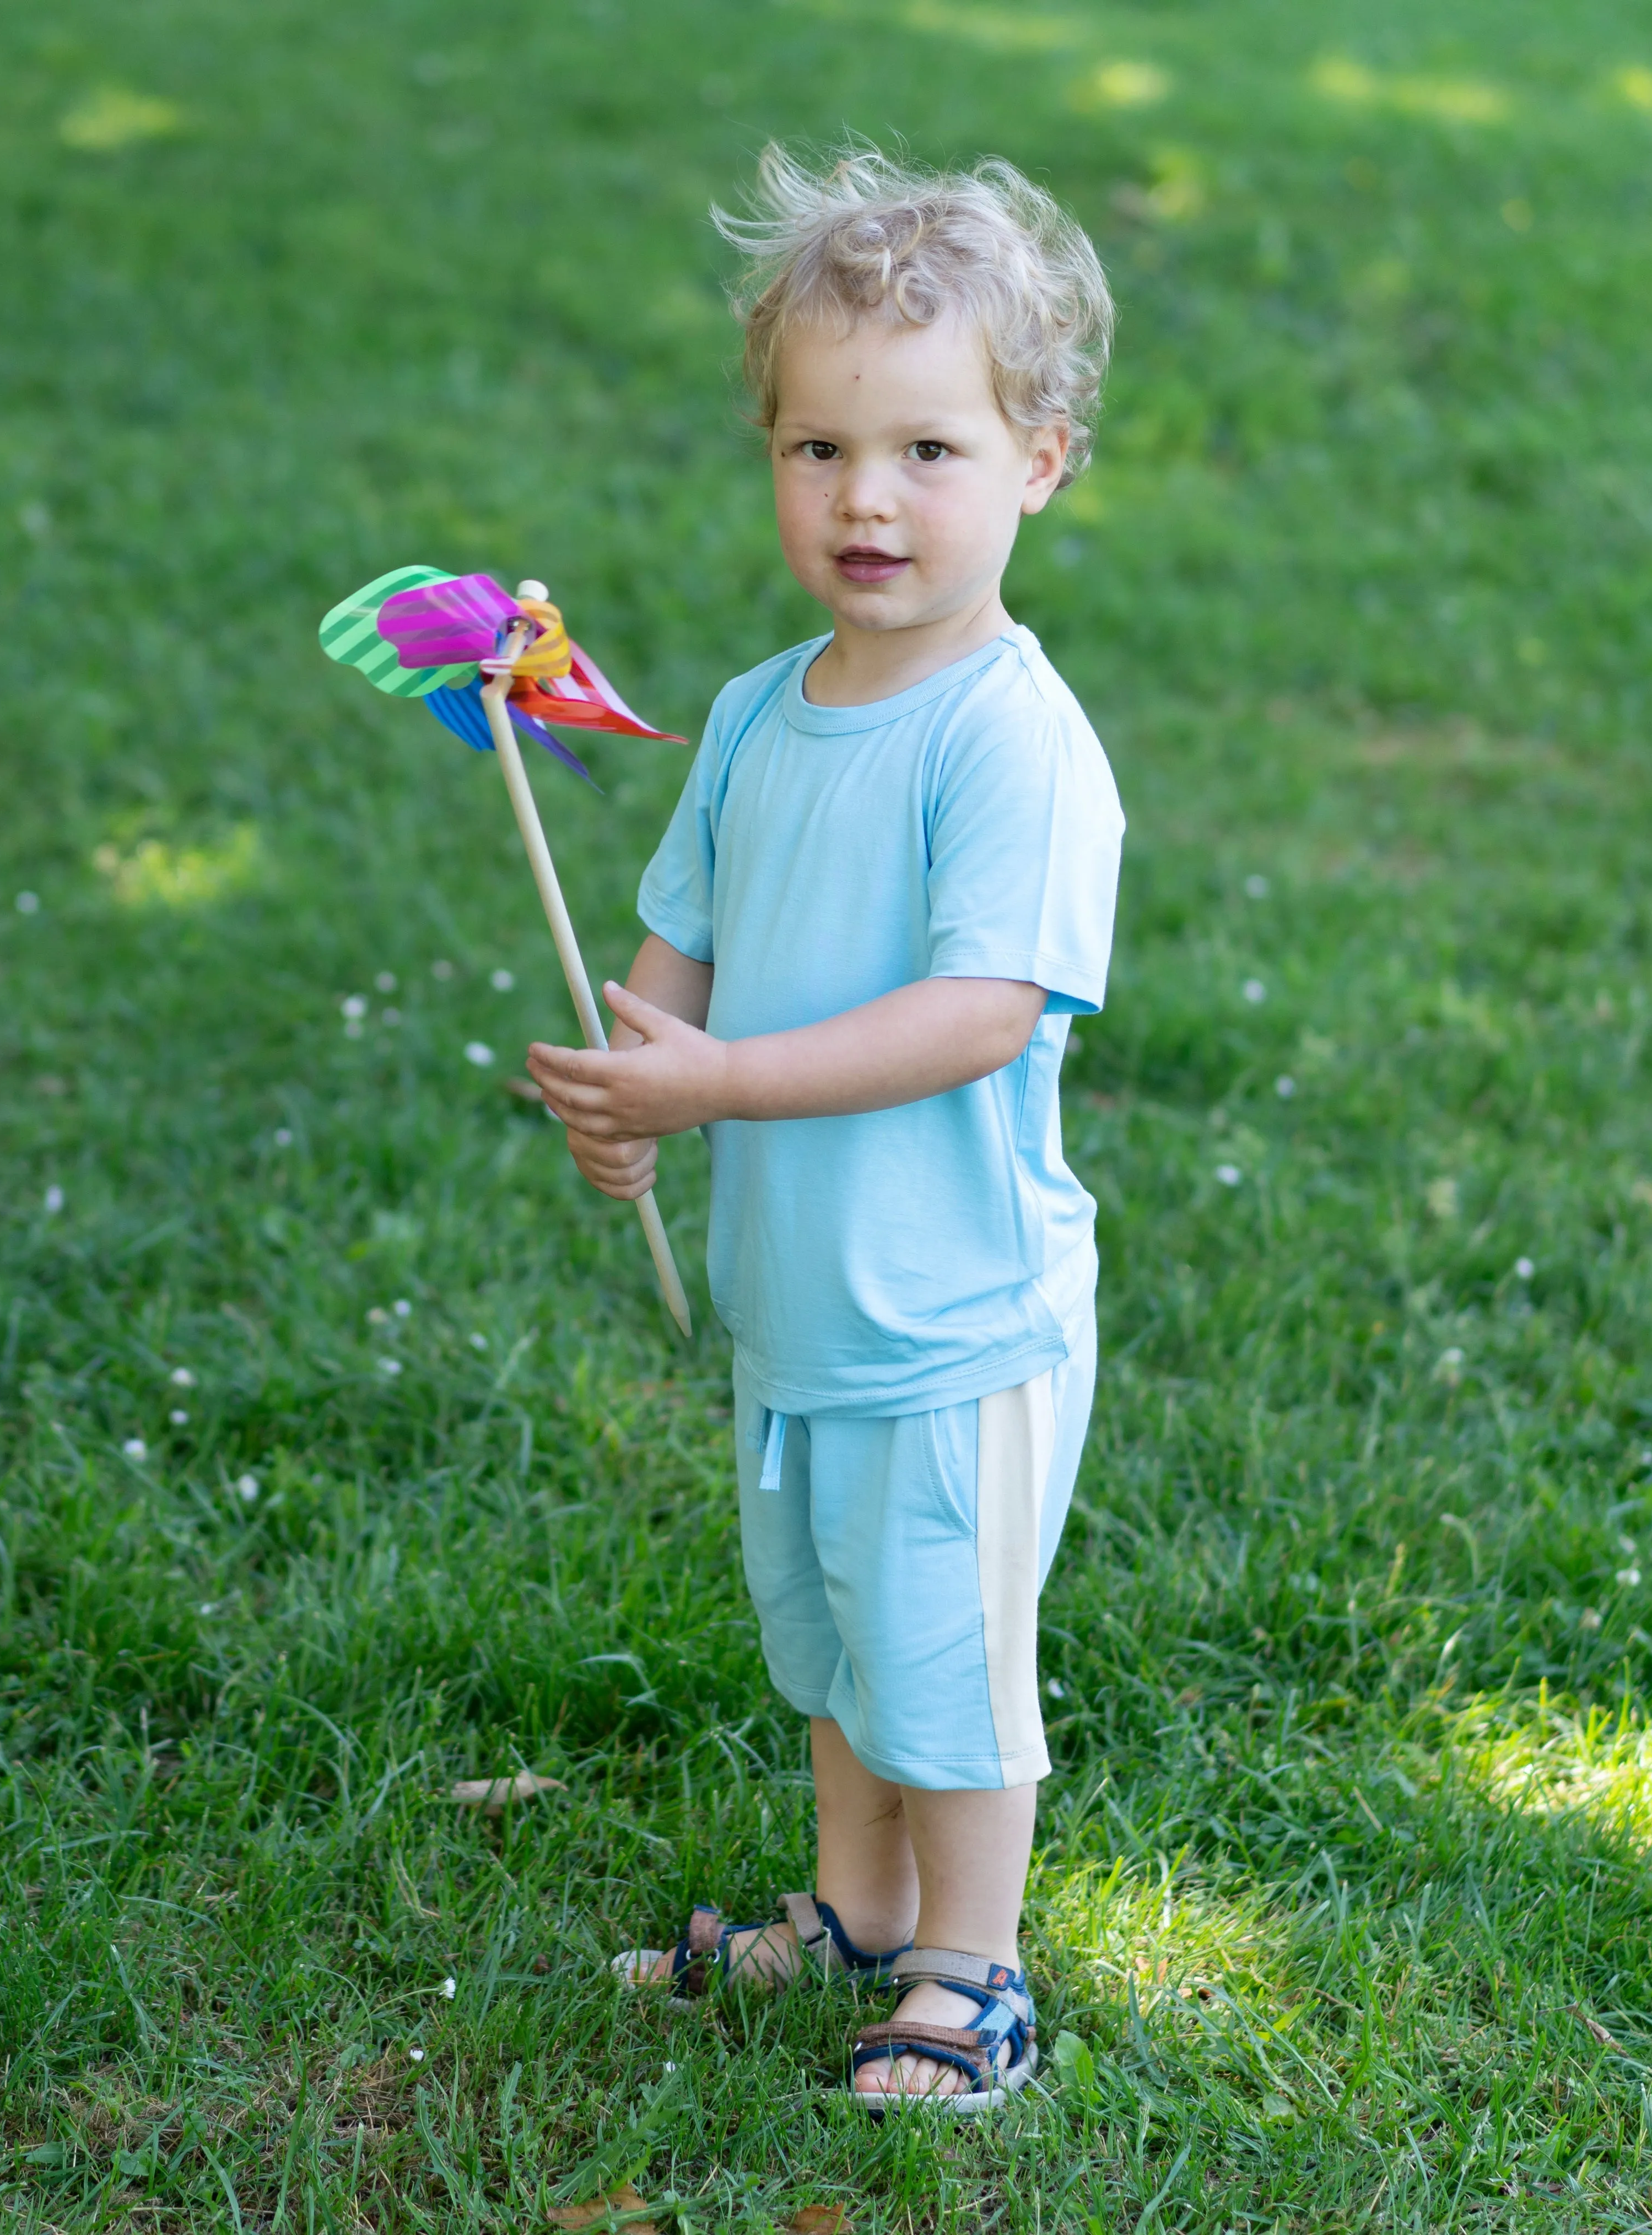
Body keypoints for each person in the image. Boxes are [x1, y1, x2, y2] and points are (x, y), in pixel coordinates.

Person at [523, 143, 1123, 2113]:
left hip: (953, 1319)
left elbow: (976, 1016)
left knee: (946, 1671)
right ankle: (856, 1918)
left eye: (927, 451)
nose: (866, 498)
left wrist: (718, 1092)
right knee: (841, 1649)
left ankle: (973, 1968)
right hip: (809, 1309)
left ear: (1040, 457)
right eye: (816, 448)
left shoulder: (1010, 739)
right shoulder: (765, 711)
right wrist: (638, 1085)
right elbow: (678, 950)